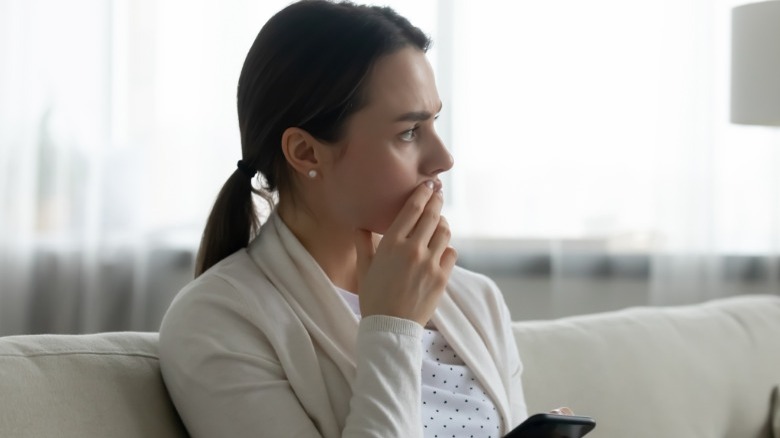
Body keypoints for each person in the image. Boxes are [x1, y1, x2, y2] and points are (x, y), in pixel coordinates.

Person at [159, 1, 532, 436]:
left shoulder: (477, 300)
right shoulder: (216, 322)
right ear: (306, 152)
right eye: (409, 132)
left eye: (434, 123)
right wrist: (393, 327)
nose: (444, 159)